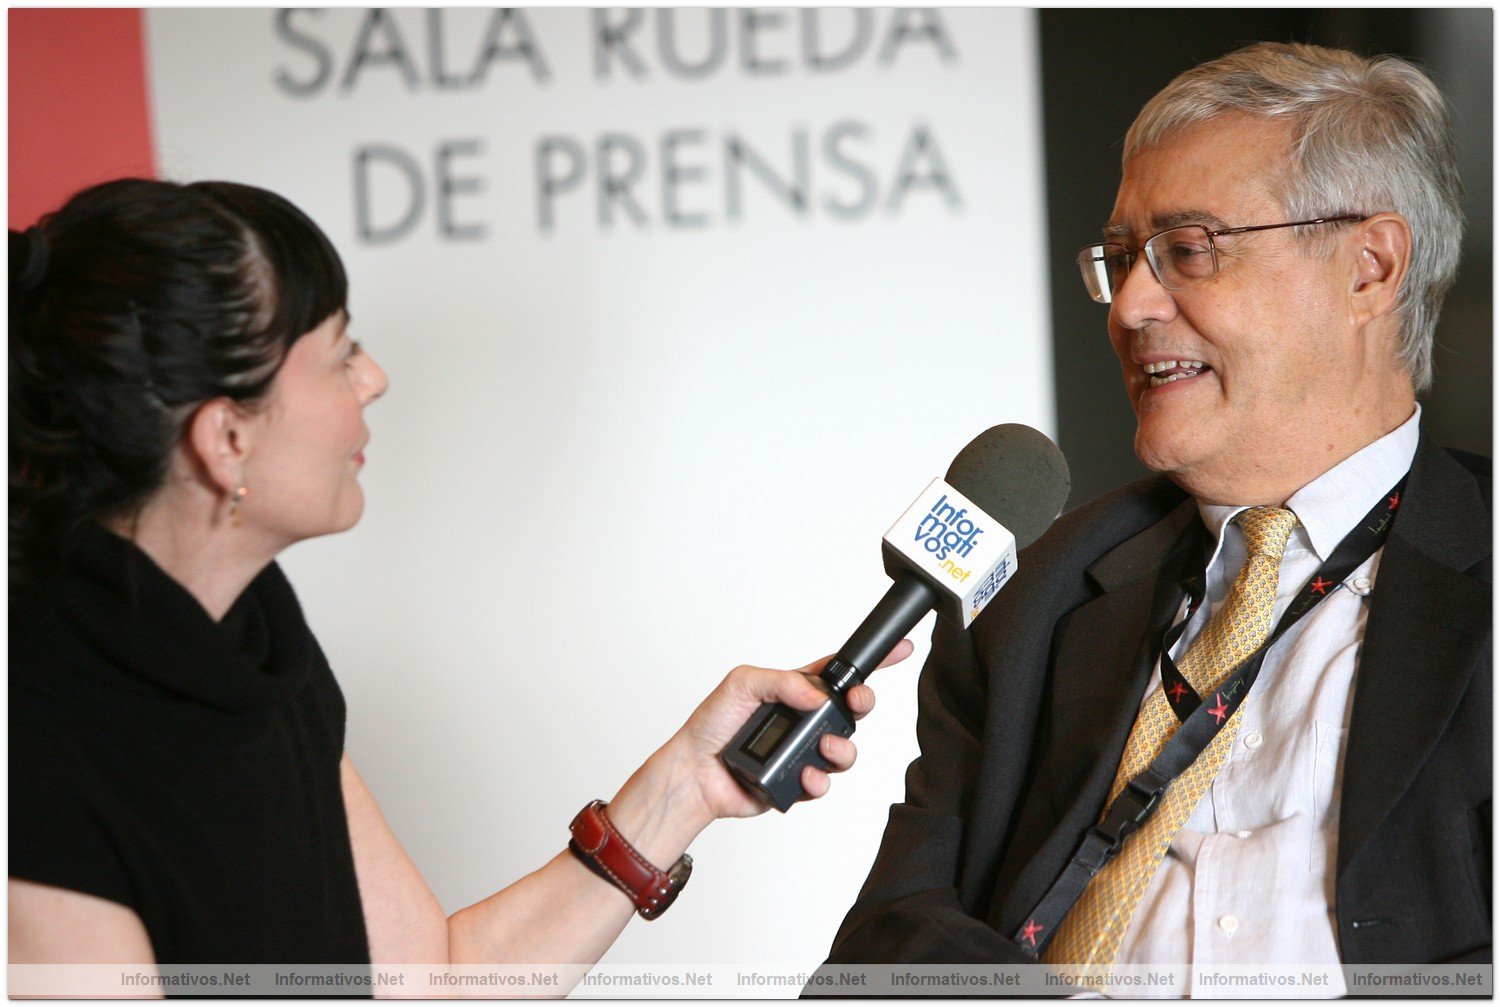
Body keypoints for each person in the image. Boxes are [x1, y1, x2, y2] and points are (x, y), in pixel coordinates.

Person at [8, 178, 912, 980]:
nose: (375, 378)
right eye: (339, 353)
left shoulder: (251, 639)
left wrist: (685, 785)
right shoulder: (37, 761)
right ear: (227, 437)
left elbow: (429, 981)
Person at [822, 42, 1490, 987]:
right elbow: (885, 951)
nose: (1131, 306)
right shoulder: (1035, 606)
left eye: (1189, 250)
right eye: (1126, 259)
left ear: (1369, 269)